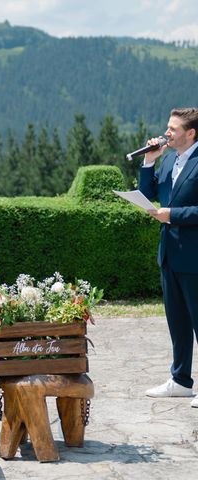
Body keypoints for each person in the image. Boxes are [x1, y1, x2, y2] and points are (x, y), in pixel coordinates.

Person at [139, 107, 198, 407]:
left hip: (195, 257)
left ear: (191, 133)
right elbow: (148, 191)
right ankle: (180, 381)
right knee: (177, 321)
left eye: (173, 129)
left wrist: (172, 215)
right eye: (167, 127)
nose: (167, 133)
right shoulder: (170, 158)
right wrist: (149, 162)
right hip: (169, 256)